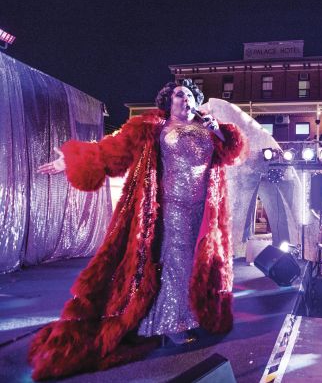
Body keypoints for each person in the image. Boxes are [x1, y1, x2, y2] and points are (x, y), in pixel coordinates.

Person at [29, 79, 246, 380]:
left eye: (189, 96)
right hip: (167, 209)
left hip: (202, 211)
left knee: (198, 263)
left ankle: (190, 314)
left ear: (197, 102)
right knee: (174, 263)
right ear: (169, 102)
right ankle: (169, 323)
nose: (184, 101)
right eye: (178, 96)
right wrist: (72, 160)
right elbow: (113, 149)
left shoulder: (210, 129)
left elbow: (232, 153)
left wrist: (217, 130)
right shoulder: (153, 127)